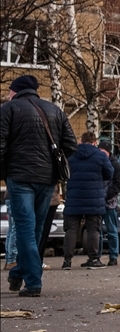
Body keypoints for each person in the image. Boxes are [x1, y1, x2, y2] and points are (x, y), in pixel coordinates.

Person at [1, 74, 77, 297]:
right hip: (47, 180)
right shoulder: (55, 110)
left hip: (20, 177)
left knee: (24, 228)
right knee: (35, 230)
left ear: (16, 91)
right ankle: (17, 276)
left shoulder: (8, 109)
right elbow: (71, 145)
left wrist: (5, 171)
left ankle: (33, 282)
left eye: (9, 91)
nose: (7, 95)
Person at [63, 131, 114, 270]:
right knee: (93, 229)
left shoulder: (71, 156)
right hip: (94, 198)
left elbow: (64, 173)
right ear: (95, 142)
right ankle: (93, 259)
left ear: (81, 141)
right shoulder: (100, 156)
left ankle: (67, 261)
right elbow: (109, 173)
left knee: (71, 230)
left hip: (74, 197)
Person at [98, 140, 120, 266]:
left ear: (108, 152)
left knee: (111, 230)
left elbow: (119, 184)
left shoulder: (116, 166)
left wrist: (106, 195)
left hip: (109, 202)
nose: (101, 154)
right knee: (97, 231)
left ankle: (113, 256)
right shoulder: (98, 162)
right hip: (99, 201)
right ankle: (96, 256)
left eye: (103, 151)